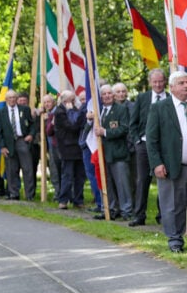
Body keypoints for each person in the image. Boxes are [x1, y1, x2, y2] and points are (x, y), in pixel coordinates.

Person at [145, 71, 187, 254]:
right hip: (172, 166)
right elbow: (151, 139)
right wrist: (156, 163)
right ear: (172, 87)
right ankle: (175, 240)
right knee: (173, 205)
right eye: (181, 83)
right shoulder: (160, 107)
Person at [129, 68, 168, 226]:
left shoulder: (171, 98)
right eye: (155, 82)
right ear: (150, 82)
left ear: (165, 82)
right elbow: (133, 123)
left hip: (165, 147)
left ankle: (163, 215)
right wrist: (137, 141)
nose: (158, 84)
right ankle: (139, 215)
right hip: (144, 145)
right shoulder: (142, 98)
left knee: (164, 180)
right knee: (142, 180)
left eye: (160, 81)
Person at [93, 84, 134, 221]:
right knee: (108, 184)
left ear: (113, 95)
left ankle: (127, 211)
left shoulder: (121, 110)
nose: (107, 96)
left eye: (109, 93)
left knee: (123, 184)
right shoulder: (98, 112)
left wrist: (105, 132)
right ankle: (110, 209)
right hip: (103, 154)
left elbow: (124, 128)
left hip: (118, 153)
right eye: (104, 94)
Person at [0, 89, 36, 200]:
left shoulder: (25, 109)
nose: (12, 100)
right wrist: (2, 147)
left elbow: (33, 125)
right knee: (11, 170)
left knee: (27, 168)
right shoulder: (1, 112)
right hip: (9, 144)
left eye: (14, 97)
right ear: (6, 99)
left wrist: (31, 135)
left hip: (22, 140)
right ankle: (14, 193)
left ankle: (29, 195)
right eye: (10, 98)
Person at [53, 90, 87, 210]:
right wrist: (71, 111)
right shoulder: (60, 112)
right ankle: (63, 200)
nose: (74, 102)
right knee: (67, 175)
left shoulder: (74, 110)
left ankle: (78, 200)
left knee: (79, 175)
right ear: (64, 100)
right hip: (67, 148)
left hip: (77, 147)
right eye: (71, 100)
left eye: (74, 99)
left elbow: (81, 121)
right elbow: (72, 125)